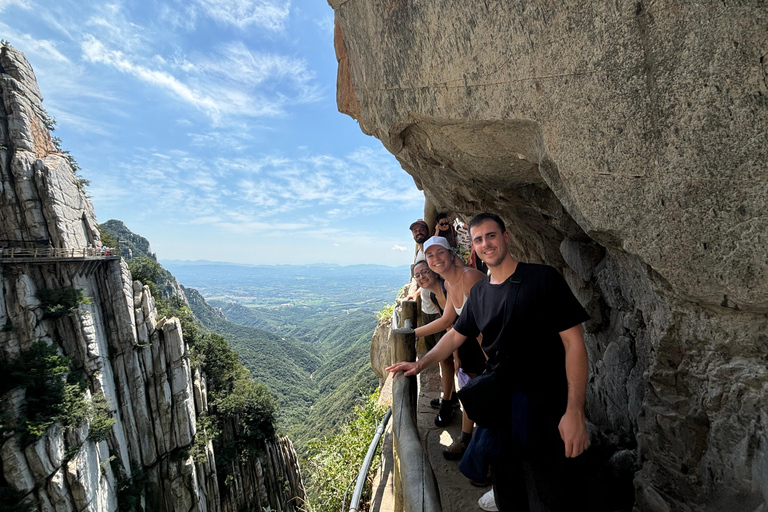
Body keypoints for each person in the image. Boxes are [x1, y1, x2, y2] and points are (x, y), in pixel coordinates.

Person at [387, 212, 590, 512]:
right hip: (501, 410)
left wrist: (575, 410)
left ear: (506, 237)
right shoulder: (480, 292)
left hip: (546, 405)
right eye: (479, 239)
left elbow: (574, 344)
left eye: (491, 236)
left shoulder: (542, 279)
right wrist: (420, 364)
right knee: (509, 489)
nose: (486, 244)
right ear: (473, 247)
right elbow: (455, 335)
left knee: (550, 492)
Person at [413, 237, 487, 459]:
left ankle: (478, 453)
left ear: (451, 253)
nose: (435, 259)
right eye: (430, 255)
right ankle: (469, 443)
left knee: (484, 402)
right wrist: (412, 334)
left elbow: (488, 325)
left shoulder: (469, 277)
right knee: (473, 397)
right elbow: (448, 322)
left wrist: (493, 363)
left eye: (440, 253)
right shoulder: (447, 284)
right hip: (472, 349)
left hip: (490, 352)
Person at [405, 220, 454, 413]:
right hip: (428, 309)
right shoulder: (420, 252)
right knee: (440, 355)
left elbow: (448, 321)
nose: (418, 232)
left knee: (447, 359)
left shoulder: (432, 251)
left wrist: (411, 334)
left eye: (421, 229)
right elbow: (424, 280)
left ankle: (448, 400)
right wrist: (416, 293)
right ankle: (449, 394)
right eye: (415, 231)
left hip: (439, 314)